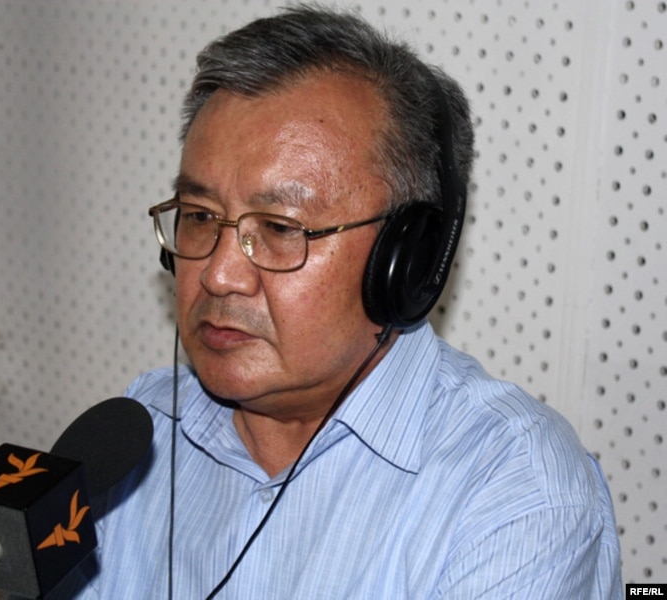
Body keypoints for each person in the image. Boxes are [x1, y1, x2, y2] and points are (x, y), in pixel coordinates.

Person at [61, 5, 622, 599]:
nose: (219, 275)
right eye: (200, 217)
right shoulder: (135, 436)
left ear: (404, 262)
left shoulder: (517, 494)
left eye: (280, 228)